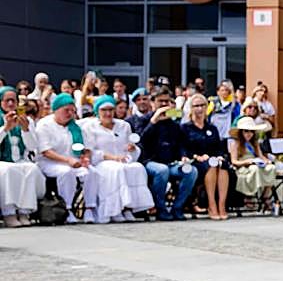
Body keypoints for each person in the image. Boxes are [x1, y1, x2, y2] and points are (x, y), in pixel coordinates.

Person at [84, 95, 154, 223]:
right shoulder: (90, 127)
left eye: (110, 110)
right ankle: (113, 210)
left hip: (123, 160)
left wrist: (132, 149)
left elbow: (132, 148)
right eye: (104, 110)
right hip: (102, 163)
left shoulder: (124, 125)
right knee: (117, 169)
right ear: (97, 111)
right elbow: (91, 152)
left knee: (137, 168)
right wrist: (113, 158)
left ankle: (128, 208)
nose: (108, 113)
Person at [36, 93, 96, 224]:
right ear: (56, 110)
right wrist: (68, 160)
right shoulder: (44, 125)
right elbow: (46, 151)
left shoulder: (75, 127)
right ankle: (67, 209)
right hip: (49, 163)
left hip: (73, 162)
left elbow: (86, 148)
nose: (70, 114)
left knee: (90, 172)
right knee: (66, 172)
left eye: (72, 111)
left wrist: (85, 158)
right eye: (66, 110)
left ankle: (89, 208)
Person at [140, 87, 198, 221]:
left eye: (167, 101)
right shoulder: (144, 120)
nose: (164, 105)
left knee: (191, 171)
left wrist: (183, 156)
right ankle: (160, 209)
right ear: (152, 102)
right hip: (150, 162)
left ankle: (177, 208)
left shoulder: (174, 124)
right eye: (161, 101)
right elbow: (141, 140)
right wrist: (153, 122)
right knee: (162, 170)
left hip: (171, 162)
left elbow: (181, 144)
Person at [181, 93, 231, 220]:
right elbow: (183, 148)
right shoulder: (185, 128)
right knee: (211, 165)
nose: (199, 109)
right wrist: (196, 156)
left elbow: (219, 148)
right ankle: (211, 204)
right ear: (191, 108)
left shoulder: (212, 128)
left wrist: (220, 156)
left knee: (222, 164)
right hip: (196, 161)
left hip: (212, 158)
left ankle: (222, 205)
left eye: (202, 105)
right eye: (196, 106)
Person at [0, 86, 43, 227]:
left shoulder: (26, 120)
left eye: (14, 101)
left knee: (31, 169)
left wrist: (25, 129)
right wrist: (6, 128)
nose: (11, 104)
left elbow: (32, 146)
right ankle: (9, 213)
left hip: (20, 160)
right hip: (2, 161)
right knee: (9, 170)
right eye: (7, 101)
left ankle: (24, 212)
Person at [228, 116, 277, 213]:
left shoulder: (254, 143)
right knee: (255, 170)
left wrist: (266, 161)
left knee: (271, 168)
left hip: (256, 164)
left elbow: (261, 156)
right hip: (242, 166)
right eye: (246, 131)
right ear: (241, 132)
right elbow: (234, 161)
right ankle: (249, 196)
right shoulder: (235, 144)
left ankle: (265, 195)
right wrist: (248, 162)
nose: (249, 134)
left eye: (251, 131)